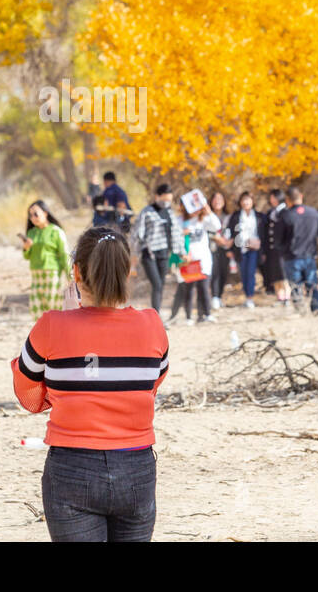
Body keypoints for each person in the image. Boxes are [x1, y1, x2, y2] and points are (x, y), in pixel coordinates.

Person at [11, 225, 168, 542]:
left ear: (77, 273)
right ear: (128, 270)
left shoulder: (51, 326)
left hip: (72, 468)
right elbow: (150, 386)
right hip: (136, 468)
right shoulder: (153, 325)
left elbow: (27, 394)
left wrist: (70, 323)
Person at [131, 184, 184, 314]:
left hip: (164, 254)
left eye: (169, 200)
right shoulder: (147, 211)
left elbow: (177, 233)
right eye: (164, 199)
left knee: (161, 284)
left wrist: (182, 252)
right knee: (157, 284)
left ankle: (157, 314)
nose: (166, 203)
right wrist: (134, 253)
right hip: (149, 253)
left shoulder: (170, 213)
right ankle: (156, 316)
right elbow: (137, 233)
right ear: (157, 197)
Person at [168, 200, 221, 325]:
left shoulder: (202, 219)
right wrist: (182, 234)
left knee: (203, 287)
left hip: (203, 260)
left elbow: (217, 227)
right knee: (188, 289)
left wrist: (209, 212)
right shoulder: (179, 221)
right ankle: (188, 317)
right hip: (186, 261)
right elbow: (173, 237)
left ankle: (206, 314)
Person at [21, 200, 70, 321]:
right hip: (36, 275)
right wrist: (26, 248)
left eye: (36, 214)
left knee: (53, 308)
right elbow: (27, 256)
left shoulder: (56, 232)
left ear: (46, 213)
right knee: (37, 309)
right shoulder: (31, 233)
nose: (33, 218)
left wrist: (70, 276)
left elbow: (64, 255)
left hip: (53, 275)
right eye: (30, 215)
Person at [276, 189, 318, 312]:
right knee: (312, 285)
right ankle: (316, 308)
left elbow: (278, 238)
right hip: (310, 255)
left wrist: (282, 251)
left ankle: (300, 309)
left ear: (287, 200)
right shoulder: (314, 213)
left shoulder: (285, 215)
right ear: (301, 196)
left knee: (295, 285)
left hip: (292, 256)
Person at [224, 191, 263, 309]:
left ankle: (250, 297)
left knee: (251, 273)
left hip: (254, 248)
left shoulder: (259, 216)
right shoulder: (235, 216)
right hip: (240, 249)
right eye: (243, 200)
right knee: (243, 273)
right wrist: (229, 249)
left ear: (253, 201)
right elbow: (230, 233)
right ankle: (246, 295)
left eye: (248, 200)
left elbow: (263, 233)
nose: (246, 202)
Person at [208, 192, 233, 311]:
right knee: (214, 272)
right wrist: (215, 238)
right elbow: (204, 230)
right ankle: (214, 297)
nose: (217, 201)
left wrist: (229, 242)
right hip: (211, 249)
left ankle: (220, 296)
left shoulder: (228, 216)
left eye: (220, 199)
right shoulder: (207, 216)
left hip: (225, 249)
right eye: (215, 199)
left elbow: (233, 231)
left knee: (224, 272)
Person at [260, 189, 286, 296]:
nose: (272, 200)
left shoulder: (286, 211)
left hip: (282, 249)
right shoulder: (271, 212)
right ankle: (279, 296)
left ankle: (286, 296)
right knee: (274, 273)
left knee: (283, 274)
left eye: (274, 197)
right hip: (271, 249)